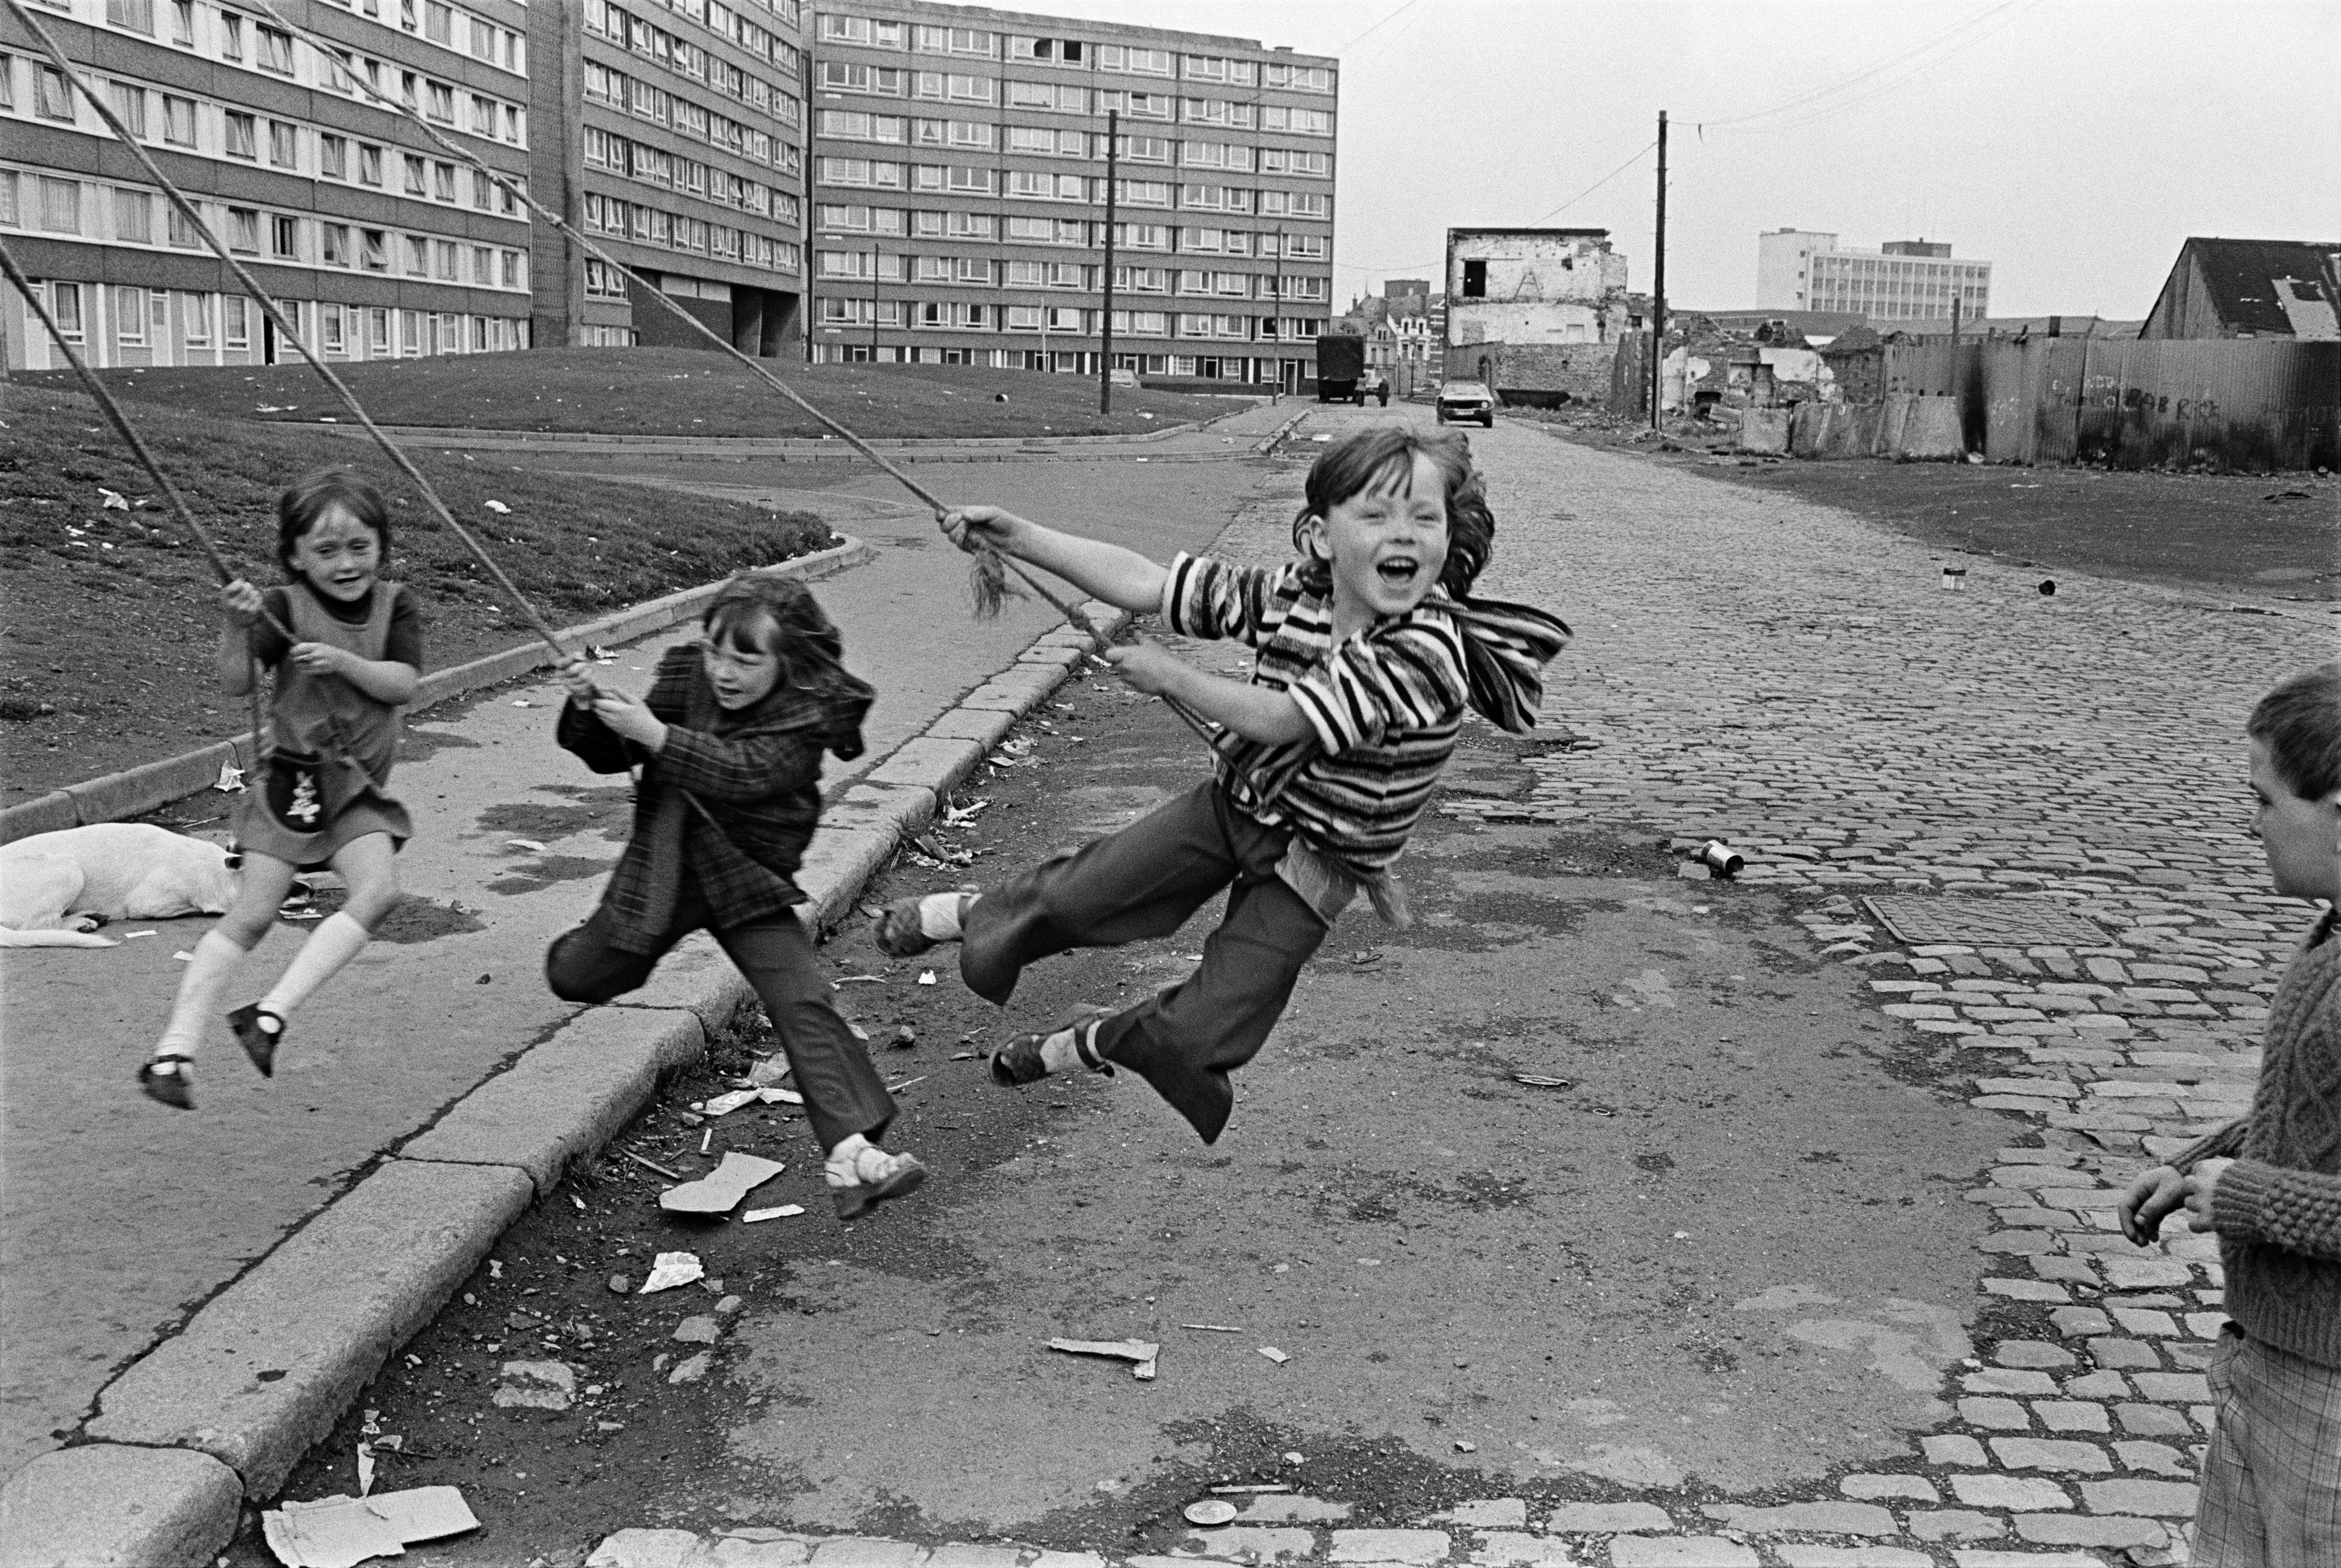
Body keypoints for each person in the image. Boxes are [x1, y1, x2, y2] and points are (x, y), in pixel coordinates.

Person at [875, 425, 1570, 1143]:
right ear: (1321, 536)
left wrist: (1173, 676)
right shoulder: (1293, 593)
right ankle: (972, 914)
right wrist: (1020, 537)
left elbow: (1291, 718)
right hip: (1233, 804)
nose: (1405, 534)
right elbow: (1151, 582)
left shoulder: (1428, 647)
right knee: (1081, 894)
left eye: (1425, 518)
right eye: (1375, 514)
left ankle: (1084, 1044)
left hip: (1317, 864)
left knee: (1198, 1038)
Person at [544, 575, 926, 1221]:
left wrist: (656, 735)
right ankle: (576, 953)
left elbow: (745, 774)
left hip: (742, 875)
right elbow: (614, 752)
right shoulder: (685, 673)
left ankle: (850, 1153)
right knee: (580, 974)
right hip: (666, 865)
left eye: (747, 659)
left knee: (802, 998)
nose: (724, 670)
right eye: (716, 651)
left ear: (789, 661)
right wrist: (590, 707)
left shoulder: (804, 716)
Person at [2117, 660, 2341, 1566]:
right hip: (2269, 1360)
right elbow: (2312, 1107)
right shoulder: (2333, 933)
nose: (2250, 820)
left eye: (2265, 799)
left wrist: (2247, 1198)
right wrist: (2202, 1160)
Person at [140, 469, 423, 1108]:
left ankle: (268, 1016)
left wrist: (343, 661)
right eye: (326, 551)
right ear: (295, 556)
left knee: (379, 892)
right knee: (254, 914)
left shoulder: (394, 604)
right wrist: (237, 626)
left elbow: (403, 682)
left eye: (360, 546)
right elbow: (237, 683)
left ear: (381, 546)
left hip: (353, 788)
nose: (346, 562)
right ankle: (174, 1050)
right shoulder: (283, 606)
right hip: (292, 783)